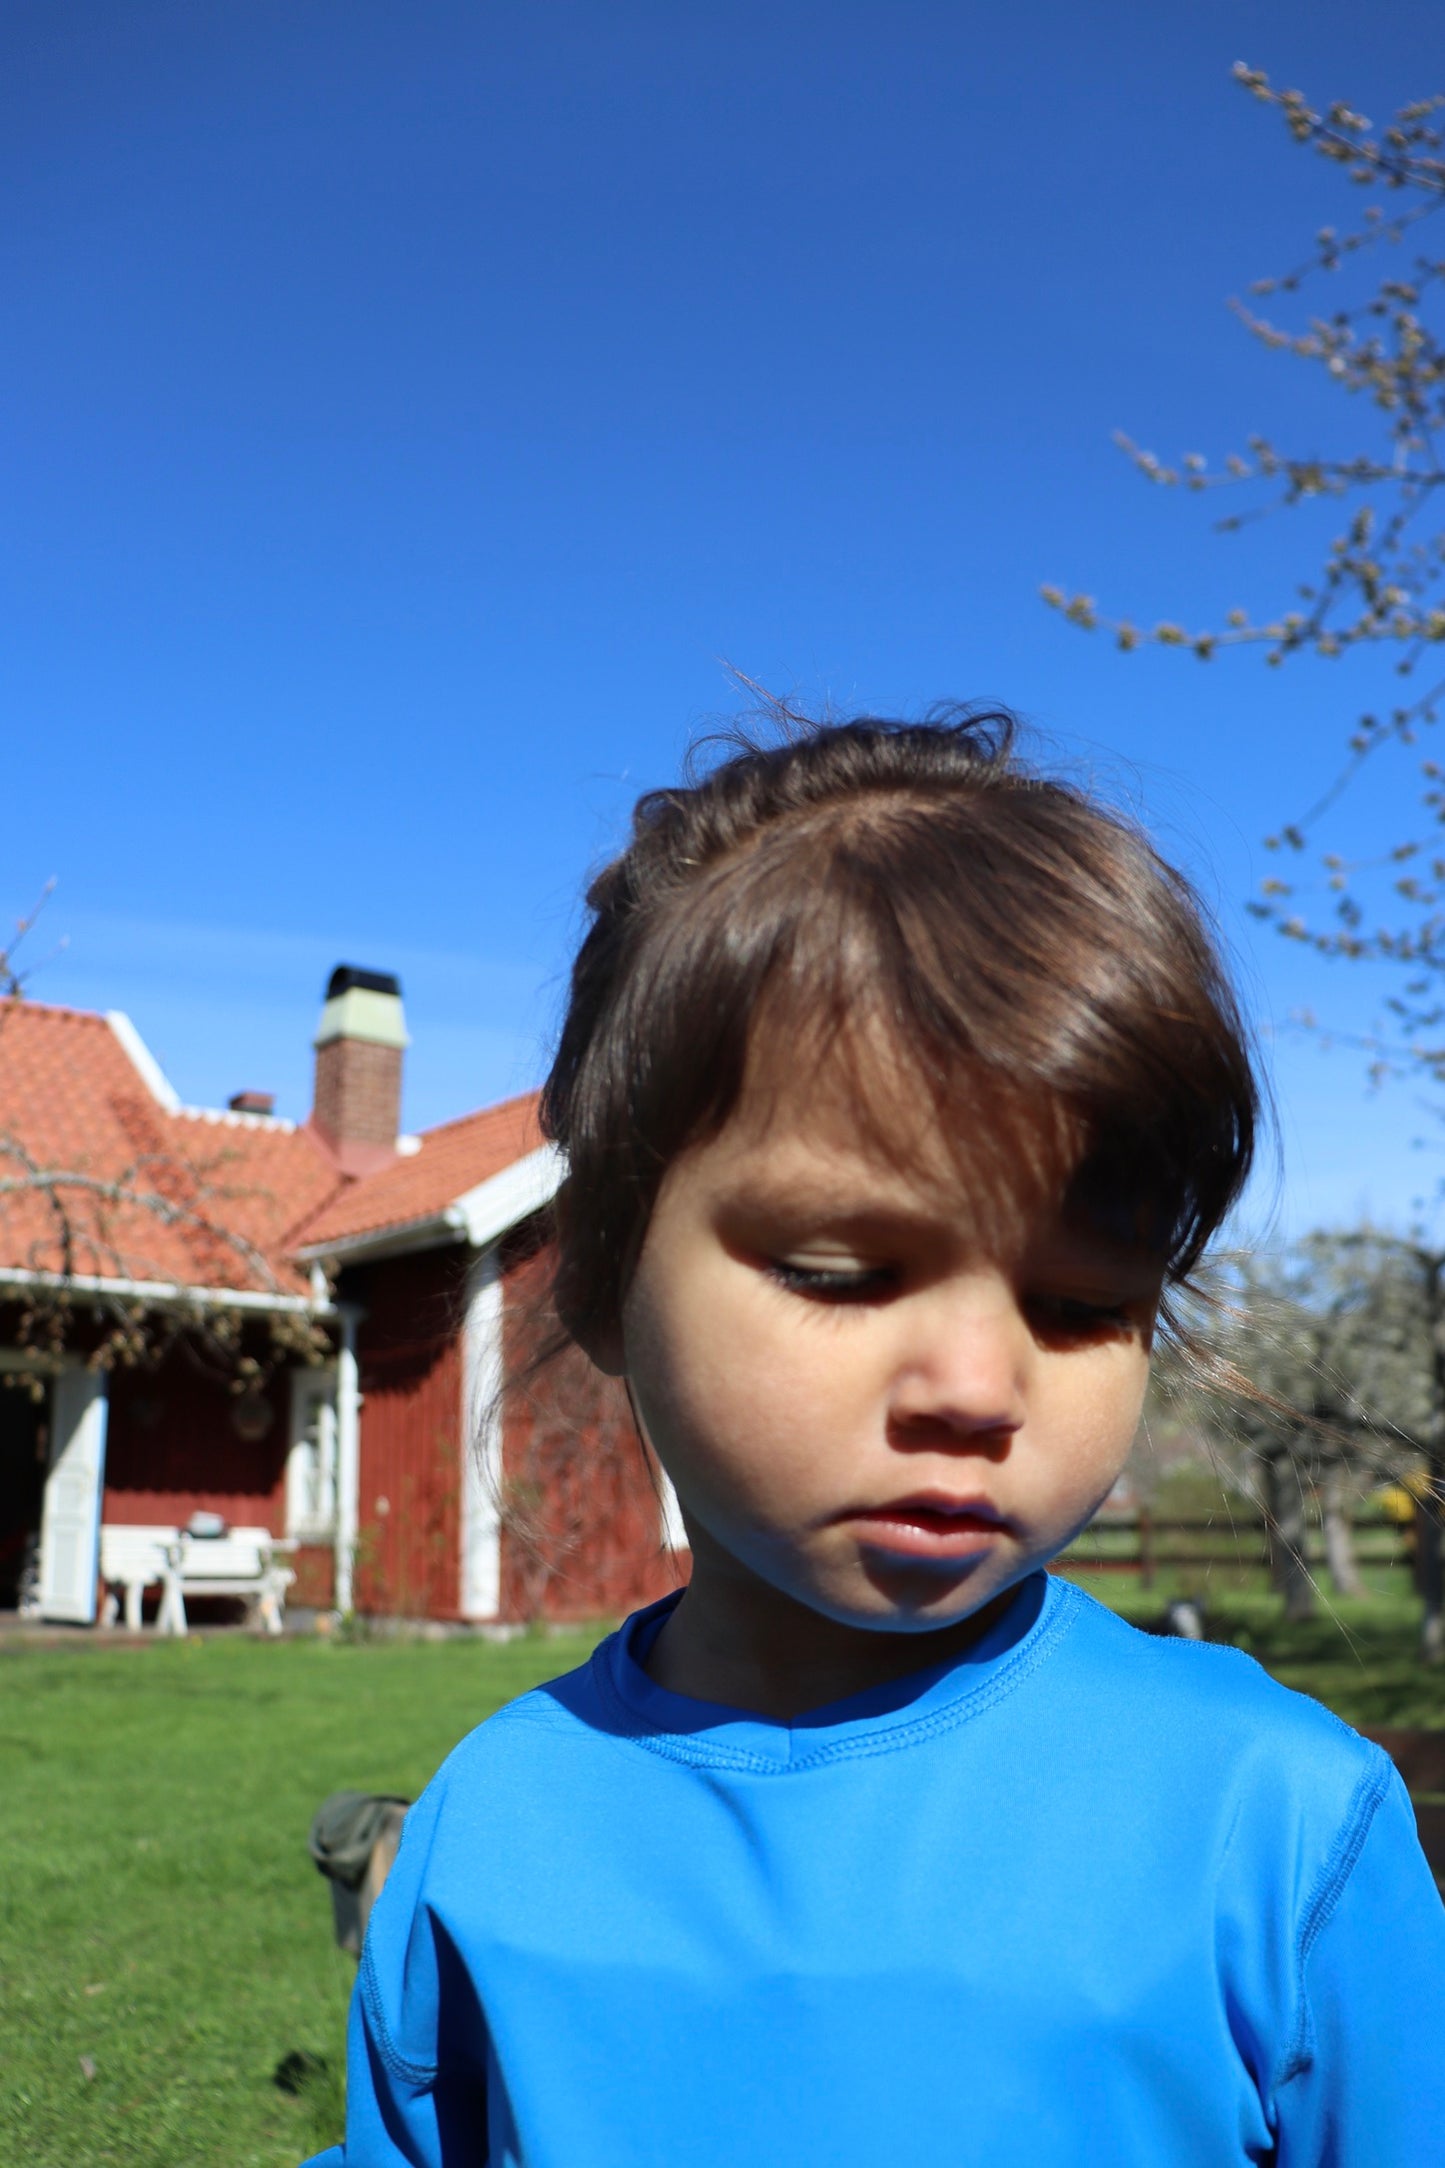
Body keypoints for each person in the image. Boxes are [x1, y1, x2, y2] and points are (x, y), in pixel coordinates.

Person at [304, 708, 1445, 2168]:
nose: (976, 1385)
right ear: (598, 1277)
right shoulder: (492, 1828)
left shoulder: (1275, 1826)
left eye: (1083, 1302)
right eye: (840, 1272)